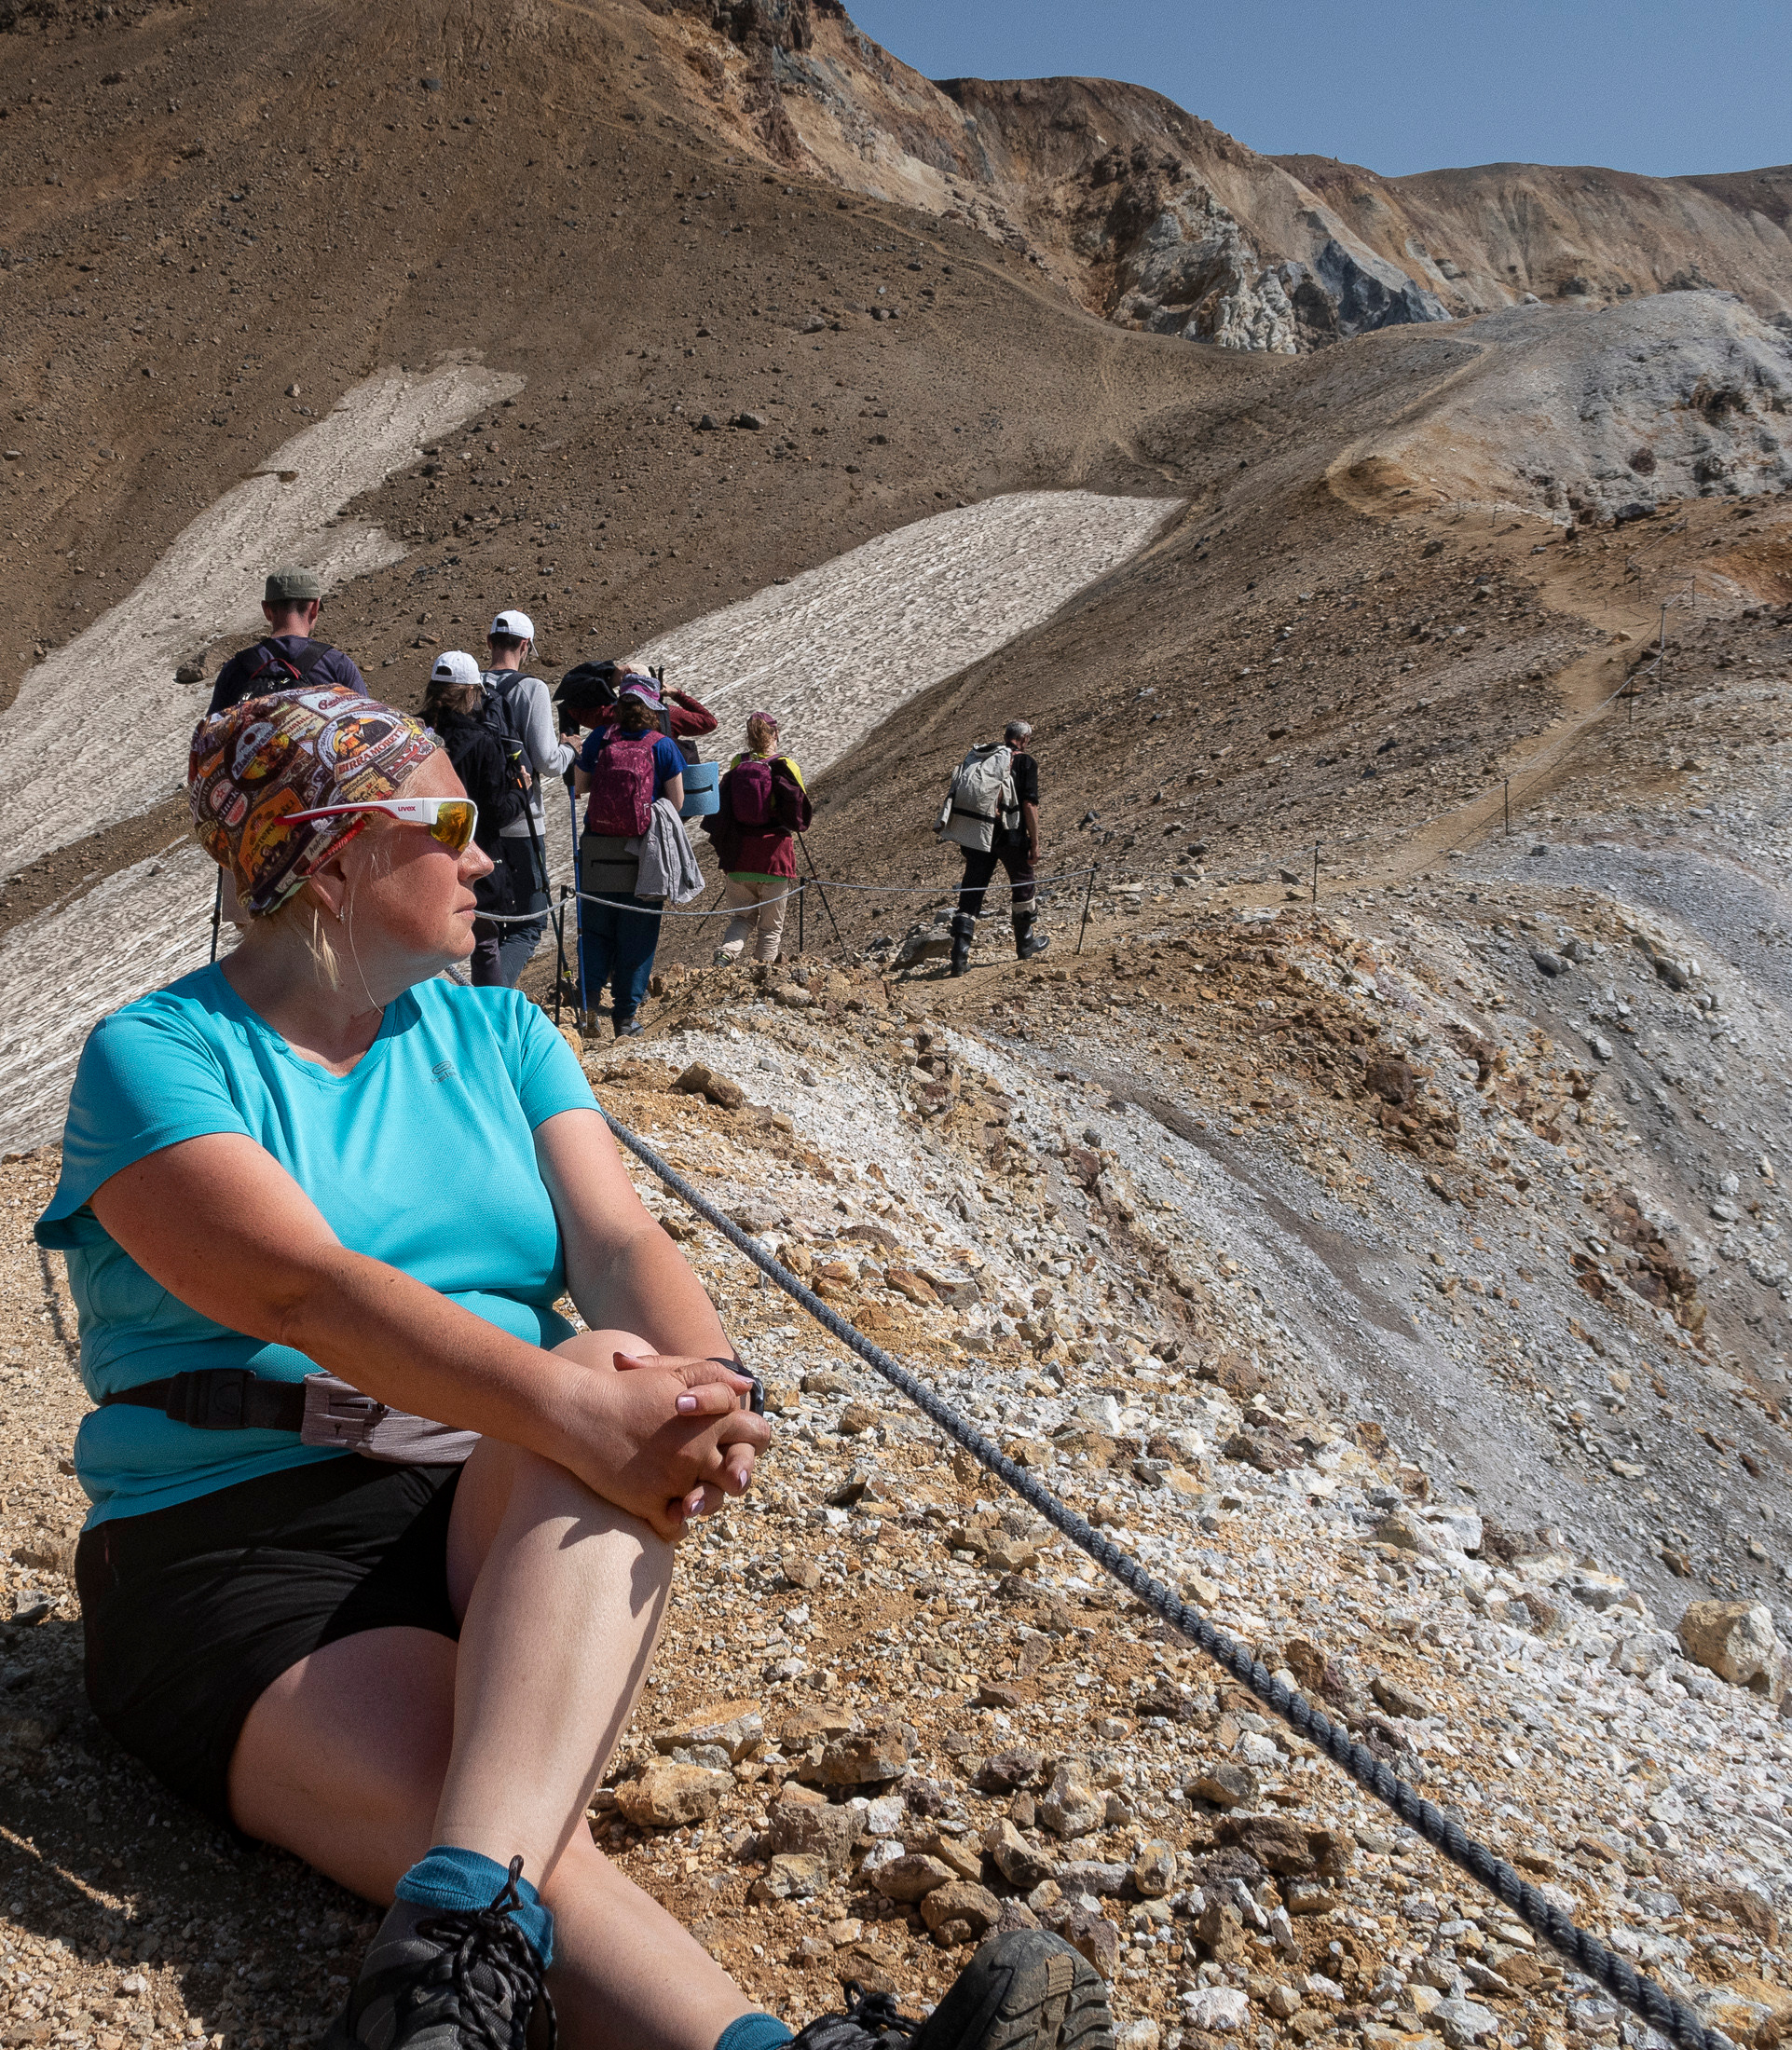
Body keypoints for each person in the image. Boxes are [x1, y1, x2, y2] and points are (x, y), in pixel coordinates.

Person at [36, 682, 1106, 2050]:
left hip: (486, 1491)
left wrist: (700, 1389)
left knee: (609, 1374)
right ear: (338, 849)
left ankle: (439, 1991)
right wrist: (584, 1406)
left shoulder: (505, 1034)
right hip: (231, 1535)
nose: (489, 856)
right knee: (484, 1815)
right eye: (455, 824)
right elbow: (302, 1286)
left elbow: (613, 1241)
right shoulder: (155, 1055)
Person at [573, 678, 684, 1038]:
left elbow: (580, 786)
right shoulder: (663, 746)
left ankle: (588, 1011)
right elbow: (677, 803)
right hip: (643, 852)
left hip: (597, 848)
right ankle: (624, 1018)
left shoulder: (600, 739)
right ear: (653, 707)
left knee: (595, 930)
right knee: (637, 933)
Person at [482, 608, 575, 990]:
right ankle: (491, 1001)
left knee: (490, 922)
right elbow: (548, 761)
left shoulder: (469, 686)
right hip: (521, 823)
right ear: (525, 646)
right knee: (531, 922)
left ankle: (482, 995)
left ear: (489, 642)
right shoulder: (531, 688)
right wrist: (572, 749)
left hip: (476, 824)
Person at [423, 650, 527, 988]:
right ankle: (491, 1023)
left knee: (421, 948)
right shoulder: (482, 742)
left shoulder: (414, 733)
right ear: (472, 693)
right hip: (474, 858)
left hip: (422, 856)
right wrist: (521, 791)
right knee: (485, 945)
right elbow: (497, 813)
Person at [706, 711, 810, 966]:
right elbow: (800, 813)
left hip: (738, 855)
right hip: (775, 857)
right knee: (771, 928)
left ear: (749, 737)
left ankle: (725, 954)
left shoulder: (736, 763)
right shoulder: (786, 765)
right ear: (775, 734)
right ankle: (761, 972)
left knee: (741, 918)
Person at [951, 718, 1047, 975]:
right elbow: (1029, 805)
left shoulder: (983, 760)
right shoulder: (1025, 762)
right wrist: (1035, 843)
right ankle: (1026, 943)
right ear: (1024, 739)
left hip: (979, 833)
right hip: (1010, 835)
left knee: (972, 888)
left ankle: (959, 957)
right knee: (1023, 882)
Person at [208, 565, 367, 713]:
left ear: (266, 610)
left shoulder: (235, 669)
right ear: (315, 608)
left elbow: (209, 736)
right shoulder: (337, 664)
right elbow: (370, 723)